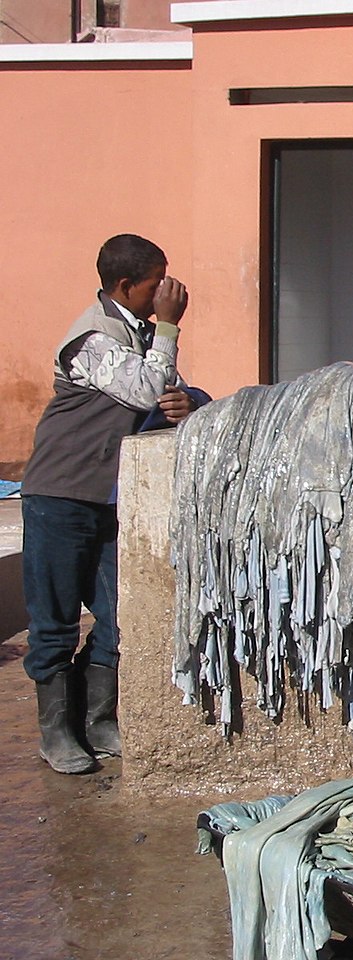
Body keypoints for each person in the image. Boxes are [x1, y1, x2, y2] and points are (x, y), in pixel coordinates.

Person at [22, 234, 201, 774]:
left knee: (116, 615)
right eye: (155, 284)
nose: (165, 293)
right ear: (125, 285)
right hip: (60, 493)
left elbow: (166, 390)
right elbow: (144, 388)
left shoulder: (137, 334)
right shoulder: (92, 338)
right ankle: (57, 732)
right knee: (53, 618)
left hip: (107, 496)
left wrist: (185, 402)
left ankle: (99, 718)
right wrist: (170, 327)